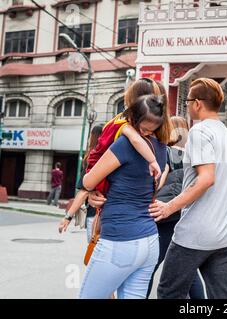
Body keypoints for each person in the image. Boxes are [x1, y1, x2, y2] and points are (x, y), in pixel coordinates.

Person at [149, 78, 227, 299]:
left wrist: (168, 208)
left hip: (195, 234)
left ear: (198, 103)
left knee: (169, 293)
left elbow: (206, 179)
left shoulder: (200, 132)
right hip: (226, 235)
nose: (187, 105)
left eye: (188, 100)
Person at [78, 94, 171, 299]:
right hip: (149, 241)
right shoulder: (162, 150)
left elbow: (88, 182)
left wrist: (91, 186)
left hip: (120, 240)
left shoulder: (124, 145)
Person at [58, 79, 164, 235]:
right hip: (136, 228)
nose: (146, 133)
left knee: (97, 203)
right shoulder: (127, 129)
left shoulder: (121, 121)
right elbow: (135, 140)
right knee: (97, 202)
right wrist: (153, 161)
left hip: (124, 226)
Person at [146, 116, 205, 299]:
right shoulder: (193, 155)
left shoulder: (166, 152)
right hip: (186, 215)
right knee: (188, 270)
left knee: (149, 267)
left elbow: (158, 180)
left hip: (165, 217)